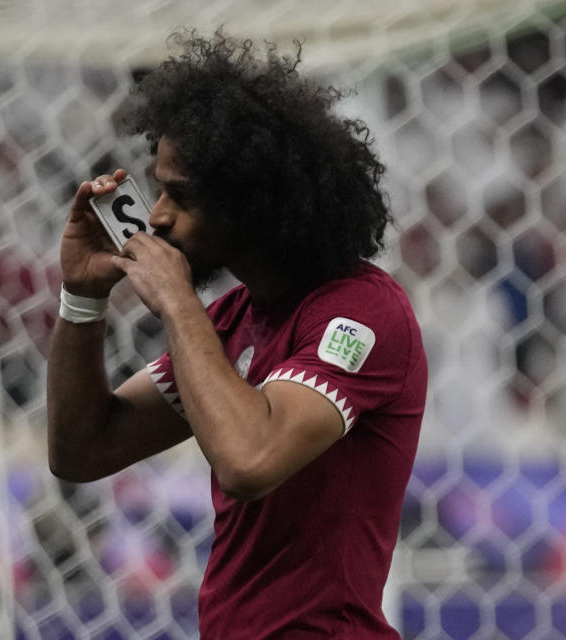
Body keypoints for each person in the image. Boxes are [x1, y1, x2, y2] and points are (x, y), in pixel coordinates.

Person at [46, 30, 427, 639]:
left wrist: (175, 299)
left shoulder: (363, 313)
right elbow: (81, 451)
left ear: (255, 203)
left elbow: (250, 461)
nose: (159, 214)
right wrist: (83, 299)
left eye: (183, 195)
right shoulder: (228, 320)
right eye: (160, 187)